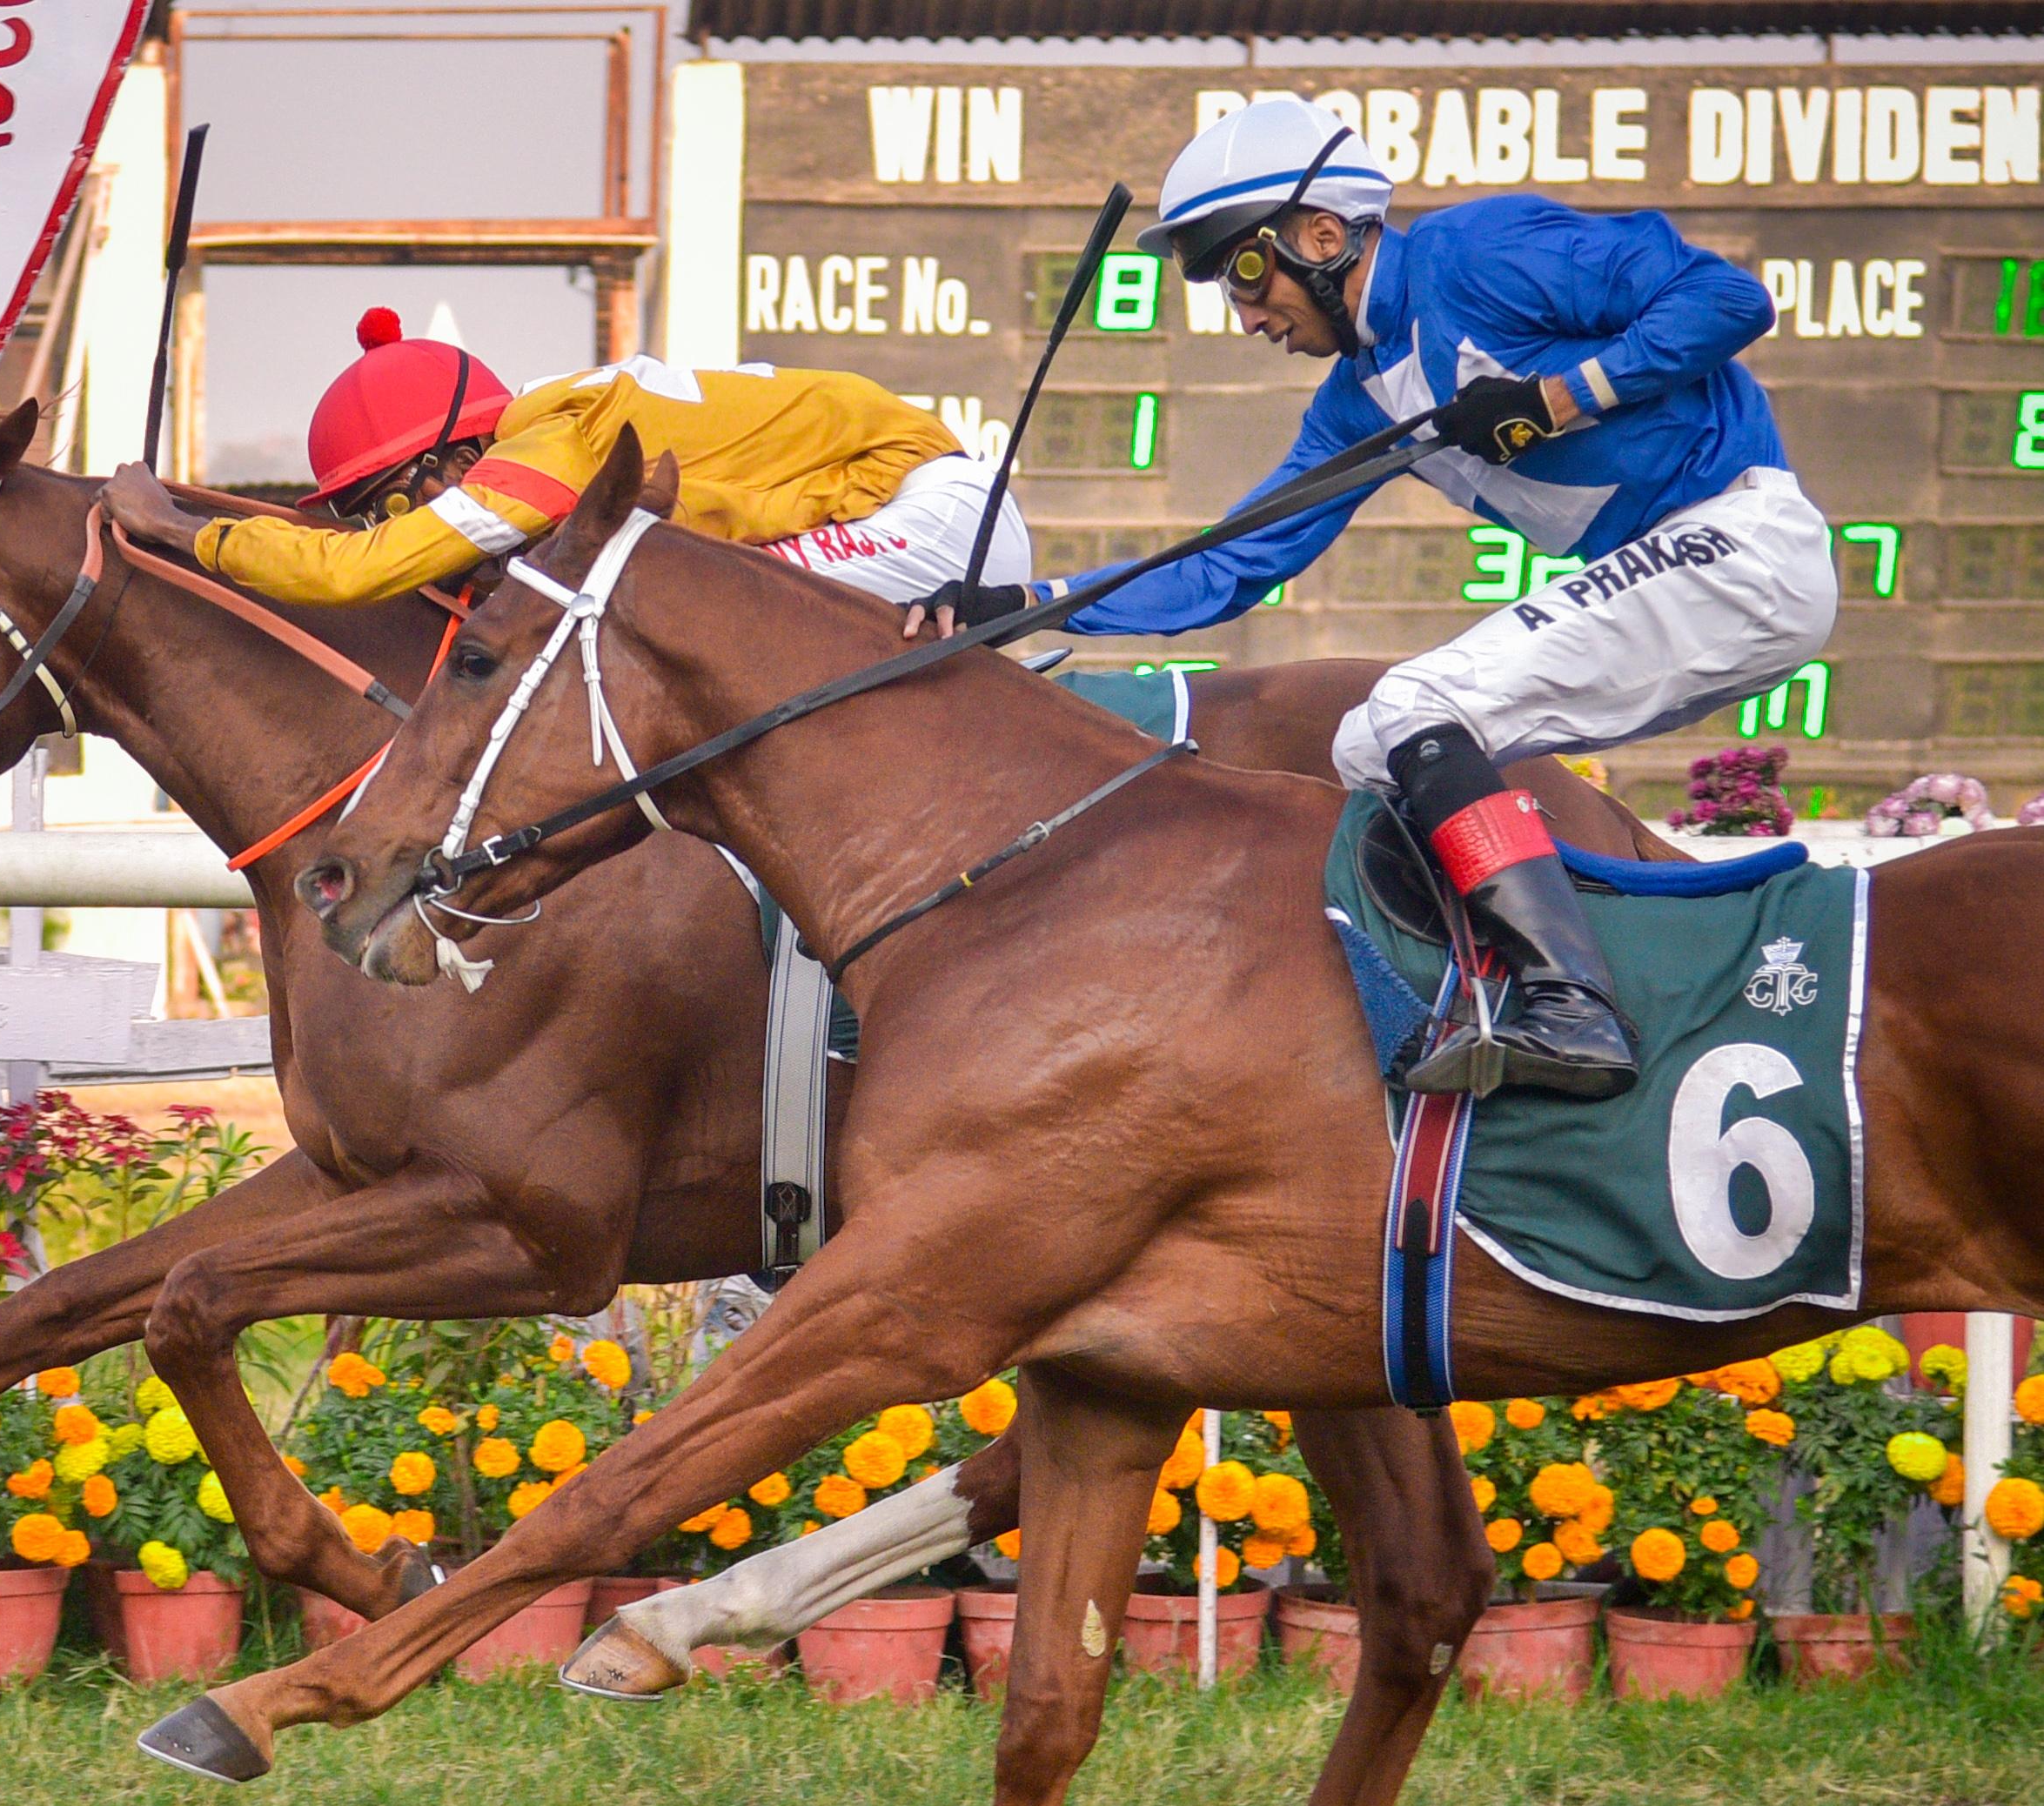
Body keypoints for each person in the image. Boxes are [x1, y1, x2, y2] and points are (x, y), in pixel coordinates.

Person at [908, 100, 1834, 1100]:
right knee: (1362, 749)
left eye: (1246, 273)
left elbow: (1726, 299)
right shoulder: (1353, 404)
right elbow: (1228, 560)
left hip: (1742, 544)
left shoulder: (1479, 251)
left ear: (1319, 233)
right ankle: (1517, 992)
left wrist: (1555, 399)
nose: (1247, 315)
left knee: (1411, 709)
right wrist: (1024, 603)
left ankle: (1577, 1011)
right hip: (1685, 576)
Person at [101, 307, 1029, 609]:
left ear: (452, 448)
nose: (401, 521)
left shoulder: (544, 450)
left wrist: (182, 532)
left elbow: (360, 574)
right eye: (373, 509)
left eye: (393, 498)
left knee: (682, 611)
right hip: (894, 513)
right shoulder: (551, 431)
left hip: (940, 519)